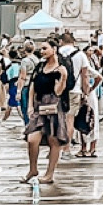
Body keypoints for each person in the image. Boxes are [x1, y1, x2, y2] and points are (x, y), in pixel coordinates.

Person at [22, 43, 71, 185]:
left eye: (45, 48)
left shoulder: (61, 68)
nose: (42, 51)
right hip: (39, 105)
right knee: (32, 139)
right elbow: (32, 86)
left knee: (53, 140)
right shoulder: (40, 66)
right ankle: (33, 169)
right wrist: (30, 106)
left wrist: (63, 77)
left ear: (54, 49)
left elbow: (58, 92)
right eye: (41, 49)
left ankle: (49, 174)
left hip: (54, 106)